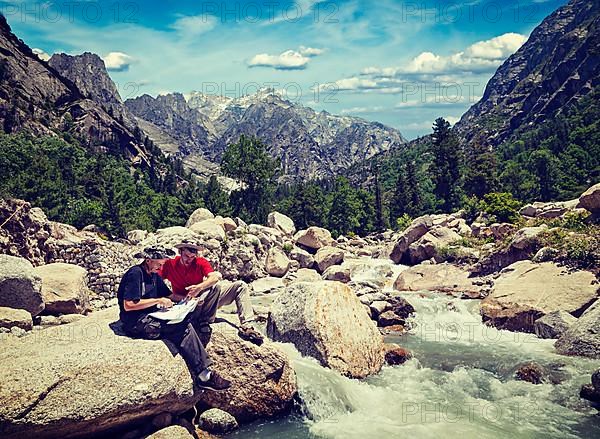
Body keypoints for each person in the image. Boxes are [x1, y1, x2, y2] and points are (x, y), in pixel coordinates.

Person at [117, 246, 231, 391]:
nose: (161, 267)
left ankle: (205, 373)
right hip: (136, 322)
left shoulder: (153, 275)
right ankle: (204, 376)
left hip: (151, 315)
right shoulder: (135, 273)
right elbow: (129, 305)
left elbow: (170, 295)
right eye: (159, 264)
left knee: (183, 321)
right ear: (148, 260)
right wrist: (158, 301)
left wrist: (188, 299)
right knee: (182, 327)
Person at [160, 238, 264, 345]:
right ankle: (203, 321)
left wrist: (198, 288)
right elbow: (156, 281)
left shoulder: (200, 262)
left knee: (239, 286)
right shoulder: (170, 265)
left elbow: (215, 277)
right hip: (185, 304)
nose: (189, 259)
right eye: (186, 256)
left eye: (192, 257)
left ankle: (248, 325)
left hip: (204, 301)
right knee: (214, 289)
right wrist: (171, 298)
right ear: (180, 252)